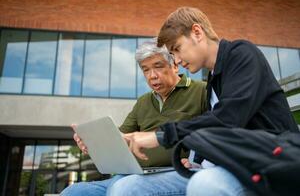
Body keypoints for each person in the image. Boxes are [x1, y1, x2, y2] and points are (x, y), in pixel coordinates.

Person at [125, 7, 298, 196]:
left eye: (177, 49)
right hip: (229, 165)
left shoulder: (241, 54)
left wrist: (160, 136)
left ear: (197, 33)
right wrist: (196, 162)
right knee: (129, 187)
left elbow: (228, 119)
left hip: (271, 163)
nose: (176, 60)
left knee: (204, 185)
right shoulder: (212, 83)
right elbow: (214, 129)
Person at [60, 38, 207, 196]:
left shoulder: (201, 91)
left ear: (175, 65)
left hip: (176, 171)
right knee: (74, 191)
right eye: (146, 70)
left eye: (158, 66)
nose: (152, 76)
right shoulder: (143, 101)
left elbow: (216, 132)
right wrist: (93, 144)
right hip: (135, 174)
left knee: (124, 189)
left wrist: (197, 162)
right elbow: (119, 139)